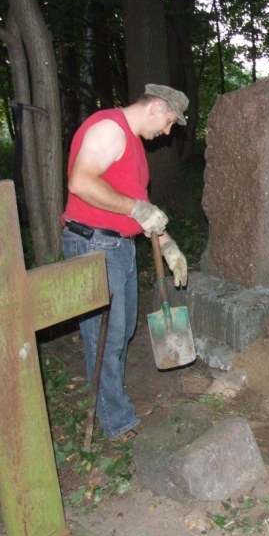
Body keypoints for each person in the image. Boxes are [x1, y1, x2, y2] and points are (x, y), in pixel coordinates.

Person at [61, 84, 190, 441]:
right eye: (169, 121)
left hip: (119, 246)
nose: (167, 131)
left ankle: (112, 400)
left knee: (122, 330)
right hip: (94, 244)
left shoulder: (132, 143)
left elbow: (140, 208)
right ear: (155, 107)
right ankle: (116, 420)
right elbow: (80, 182)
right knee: (107, 334)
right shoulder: (109, 128)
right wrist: (135, 208)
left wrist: (168, 245)